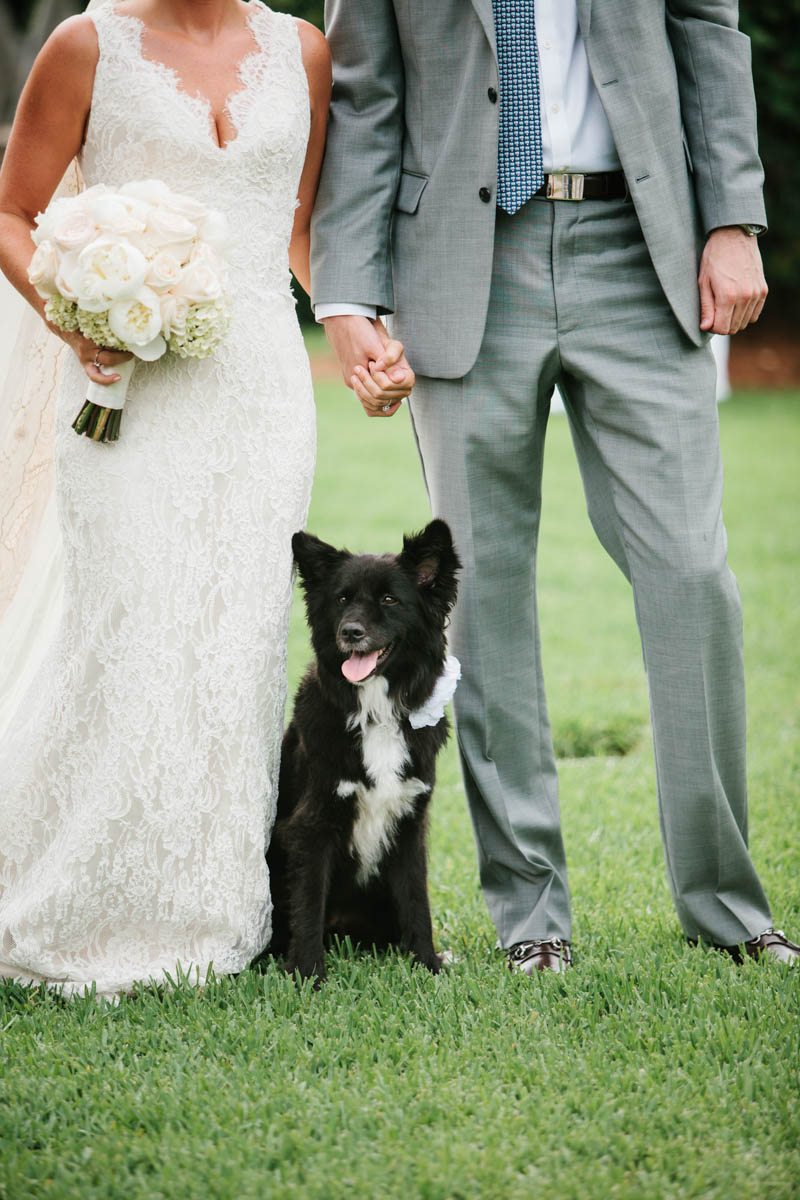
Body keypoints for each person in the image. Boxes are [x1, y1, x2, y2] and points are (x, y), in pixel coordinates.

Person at [311, 0, 799, 972]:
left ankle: (725, 905)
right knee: (479, 595)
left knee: (692, 576)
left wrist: (731, 217)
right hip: (459, 257)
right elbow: (365, 94)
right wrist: (345, 293)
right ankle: (530, 915)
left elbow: (708, 32)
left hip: (640, 245)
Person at [0, 0, 413, 998]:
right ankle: (76, 888)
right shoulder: (86, 46)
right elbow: (13, 213)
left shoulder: (302, 50)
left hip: (261, 395)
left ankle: (211, 904)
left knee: (237, 640)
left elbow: (298, 230)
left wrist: (356, 329)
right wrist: (74, 320)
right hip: (126, 390)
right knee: (126, 624)